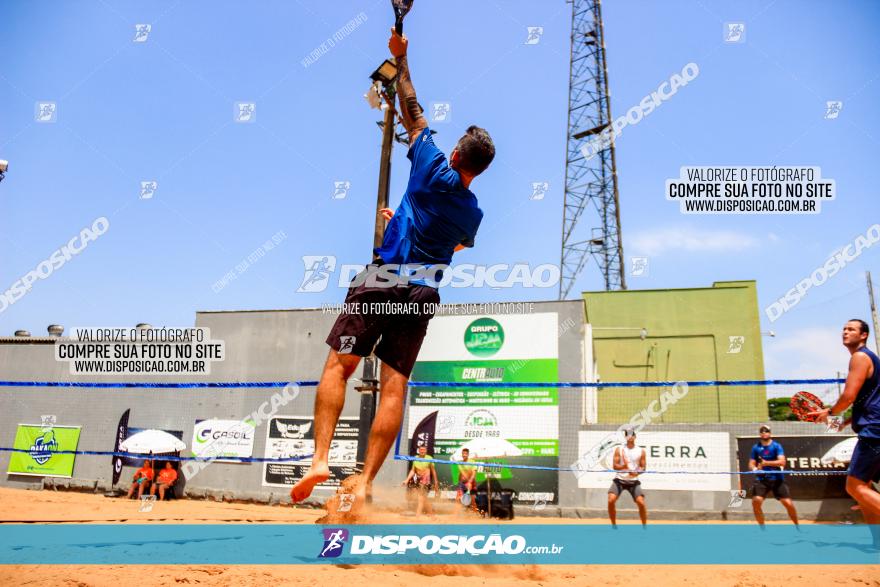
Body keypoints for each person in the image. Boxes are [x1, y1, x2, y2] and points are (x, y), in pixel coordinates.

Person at [290, 27, 495, 506]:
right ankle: (363, 482)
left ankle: (321, 459)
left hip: (381, 280)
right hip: (422, 292)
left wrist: (401, 58)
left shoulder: (429, 166)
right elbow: (456, 246)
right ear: (478, 169)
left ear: (456, 155)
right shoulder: (473, 211)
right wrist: (401, 220)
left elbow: (412, 107)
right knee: (393, 390)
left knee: (339, 367)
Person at [810, 319, 880, 543]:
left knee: (854, 485)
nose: (845, 332)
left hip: (874, 431)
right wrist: (842, 421)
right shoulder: (871, 360)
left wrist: (829, 411)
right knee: (865, 489)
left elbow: (849, 396)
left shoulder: (859, 357)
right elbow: (866, 401)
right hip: (873, 426)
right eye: (844, 329)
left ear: (864, 335)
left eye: (851, 329)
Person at [748, 424, 799, 527]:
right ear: (760, 434)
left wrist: (766, 463)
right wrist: (755, 470)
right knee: (756, 502)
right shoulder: (756, 447)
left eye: (766, 431)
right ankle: (763, 530)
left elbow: (782, 462)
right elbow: (751, 463)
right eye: (762, 431)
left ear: (770, 433)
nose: (764, 433)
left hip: (777, 479)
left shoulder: (776, 446)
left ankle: (798, 527)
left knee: (788, 504)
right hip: (762, 479)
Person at [608, 427, 647, 527]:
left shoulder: (641, 451)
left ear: (635, 436)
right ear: (625, 437)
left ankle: (644, 526)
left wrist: (635, 473)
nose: (630, 436)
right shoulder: (619, 449)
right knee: (611, 500)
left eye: (632, 434)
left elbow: (643, 467)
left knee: (641, 503)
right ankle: (613, 526)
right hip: (619, 480)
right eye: (628, 434)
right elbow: (615, 466)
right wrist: (624, 466)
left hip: (633, 481)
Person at [402, 445, 438, 515]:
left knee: (420, 498)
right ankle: (431, 513)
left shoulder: (429, 458)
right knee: (424, 499)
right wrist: (406, 480)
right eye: (421, 449)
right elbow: (413, 470)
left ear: (426, 451)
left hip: (426, 481)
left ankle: (418, 515)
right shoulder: (416, 458)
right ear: (419, 450)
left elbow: (433, 471)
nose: (422, 451)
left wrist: (436, 482)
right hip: (418, 480)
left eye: (424, 450)